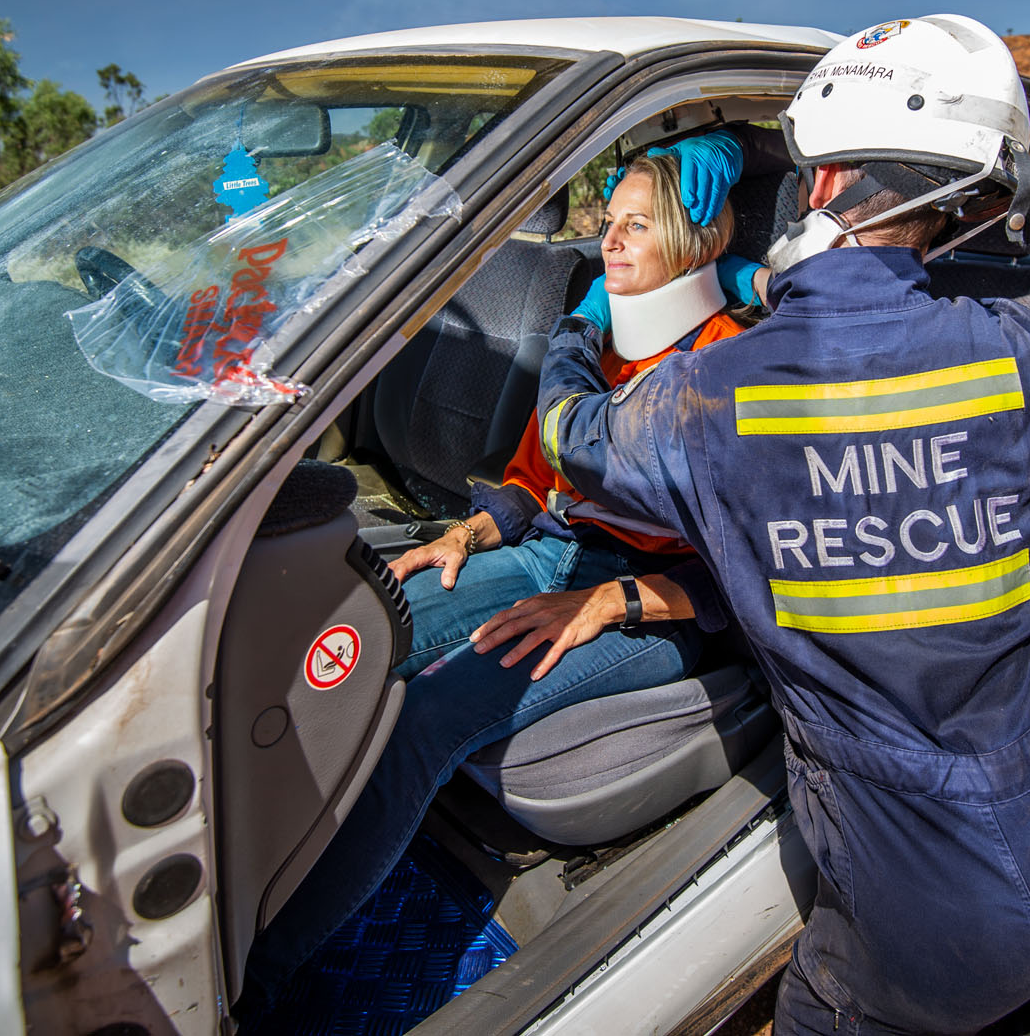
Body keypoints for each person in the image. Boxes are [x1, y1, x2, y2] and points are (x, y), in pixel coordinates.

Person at [528, 15, 1030, 1033]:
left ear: (822, 185)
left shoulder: (710, 400)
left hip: (933, 923)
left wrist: (575, 329)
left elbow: (577, 438)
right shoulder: (1017, 349)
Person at [237, 143, 760, 1023]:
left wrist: (606, 600)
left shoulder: (735, 366)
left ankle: (258, 983)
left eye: (637, 227)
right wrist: (467, 534)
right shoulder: (601, 340)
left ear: (694, 241)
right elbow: (534, 479)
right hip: (551, 553)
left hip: (657, 605)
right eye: (607, 225)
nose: (610, 245)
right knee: (361, 632)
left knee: (426, 719)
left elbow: (749, 578)